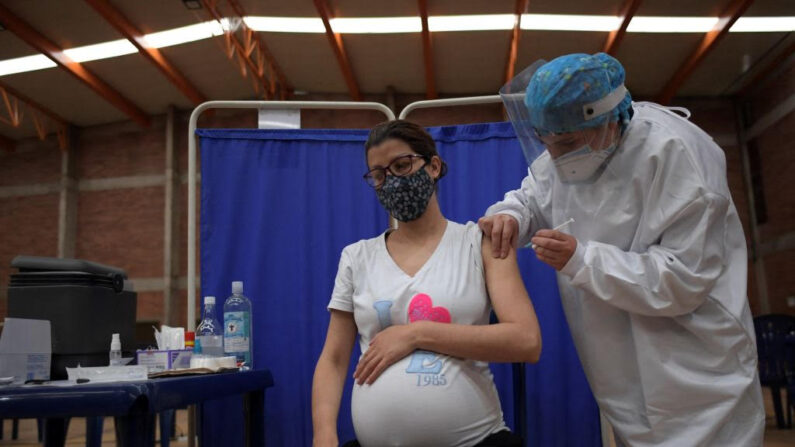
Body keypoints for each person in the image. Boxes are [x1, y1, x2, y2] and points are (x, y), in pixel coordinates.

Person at [479, 52, 764, 446]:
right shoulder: (572, 141)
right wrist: (511, 215)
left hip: (696, 371)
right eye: (547, 142)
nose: (556, 156)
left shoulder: (677, 155)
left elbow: (683, 279)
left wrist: (582, 260)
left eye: (567, 143)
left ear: (610, 118)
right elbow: (533, 197)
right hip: (620, 369)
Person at [312, 120, 542, 447]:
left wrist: (415, 334)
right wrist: (324, 435)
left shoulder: (481, 243)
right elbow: (334, 359)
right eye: (379, 175)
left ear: (433, 166)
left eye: (401, 166)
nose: (390, 181)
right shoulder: (356, 257)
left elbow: (526, 341)